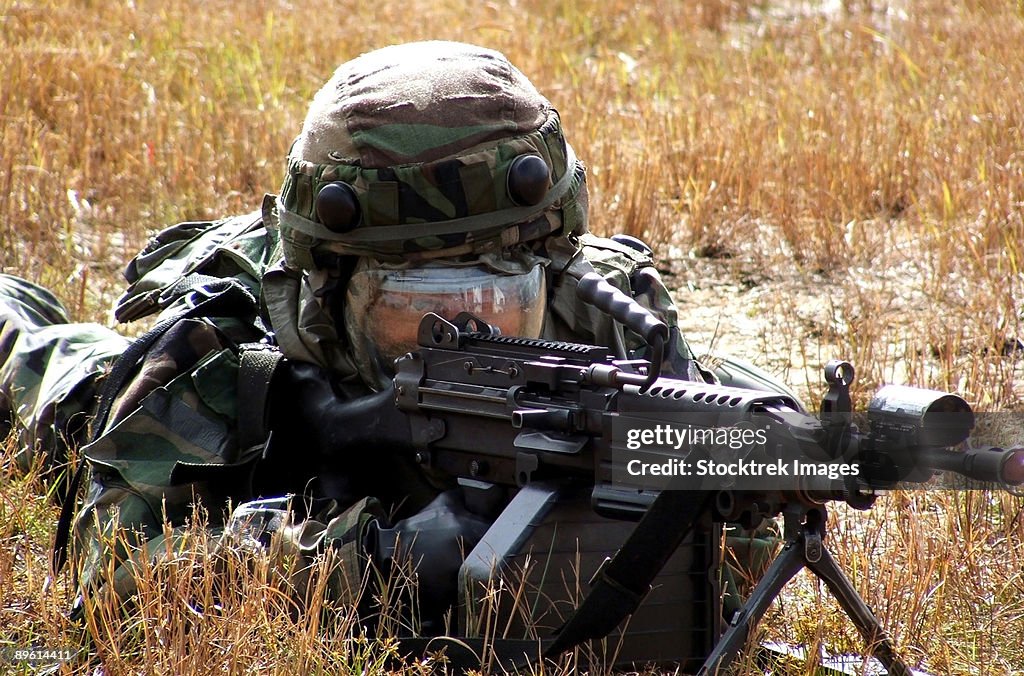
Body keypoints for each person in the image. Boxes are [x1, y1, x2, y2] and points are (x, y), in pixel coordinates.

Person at [1, 41, 788, 659]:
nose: (468, 336)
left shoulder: (606, 318)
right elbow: (116, 595)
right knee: (54, 369)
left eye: (497, 300)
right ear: (330, 297)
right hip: (180, 376)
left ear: (549, 266)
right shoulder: (221, 351)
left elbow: (735, 518)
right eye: (416, 313)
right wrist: (375, 566)